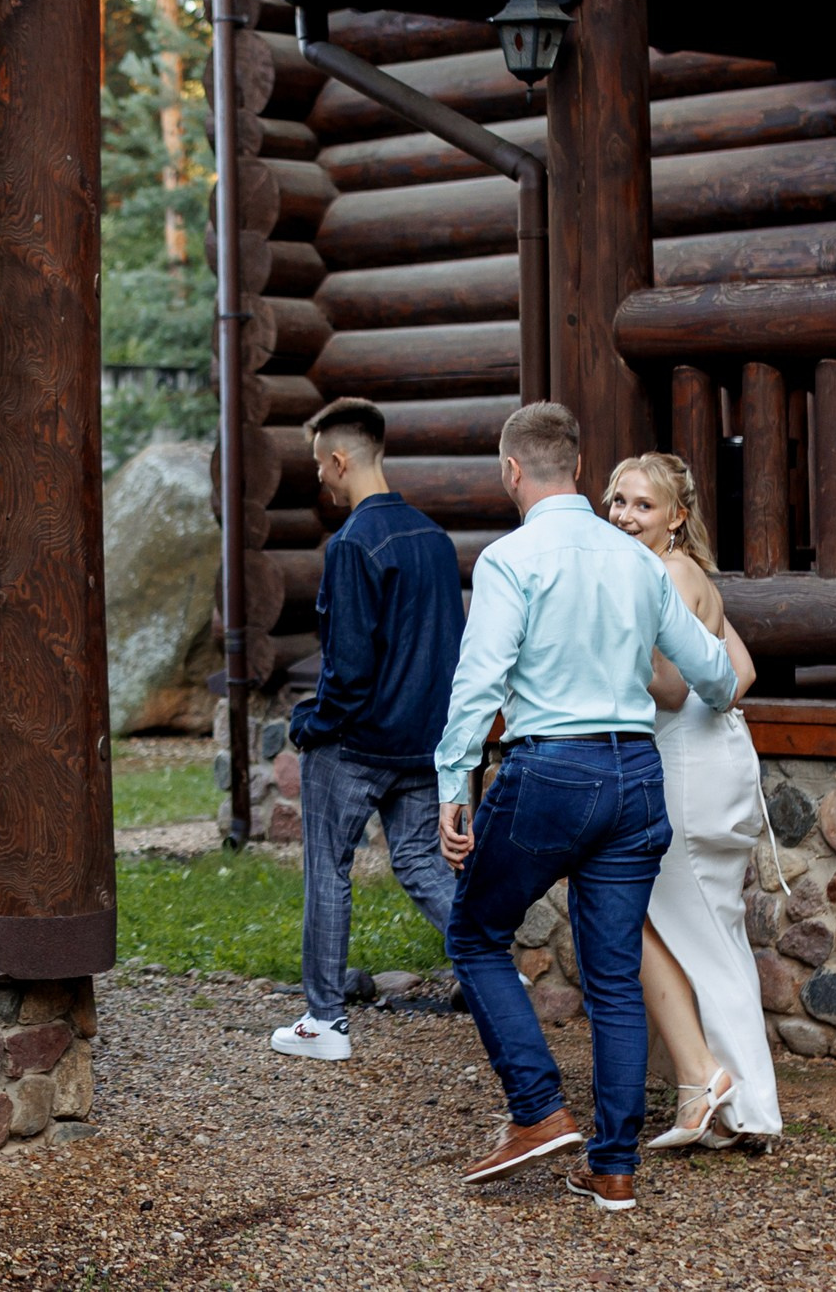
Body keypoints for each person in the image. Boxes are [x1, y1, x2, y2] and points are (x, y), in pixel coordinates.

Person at [436, 403, 751, 1212]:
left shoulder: (511, 559)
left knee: (474, 931)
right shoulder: (637, 562)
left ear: (512, 471)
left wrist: (453, 784)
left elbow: (478, 682)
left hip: (553, 772)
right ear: (577, 469)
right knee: (614, 976)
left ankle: (539, 1108)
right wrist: (717, 687)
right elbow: (713, 675)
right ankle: (613, 1165)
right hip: (636, 773)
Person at [269, 397, 463, 1063]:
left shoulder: (352, 543)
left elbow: (347, 669)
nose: (319, 480)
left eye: (320, 466)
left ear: (340, 459)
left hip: (355, 744)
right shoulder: (435, 540)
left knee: (328, 867)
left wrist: (308, 722)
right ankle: (494, 971)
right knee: (419, 862)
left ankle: (324, 1021)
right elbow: (445, 648)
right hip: (422, 740)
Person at [603, 453, 782, 1149]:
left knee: (696, 932)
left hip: (684, 767)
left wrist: (603, 650)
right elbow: (742, 672)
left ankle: (740, 1105)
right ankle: (742, 1105)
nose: (623, 514)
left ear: (677, 516)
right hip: (718, 755)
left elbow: (673, 688)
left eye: (642, 504)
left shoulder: (670, 574)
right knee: (713, 929)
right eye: (616, 500)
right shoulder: (690, 573)